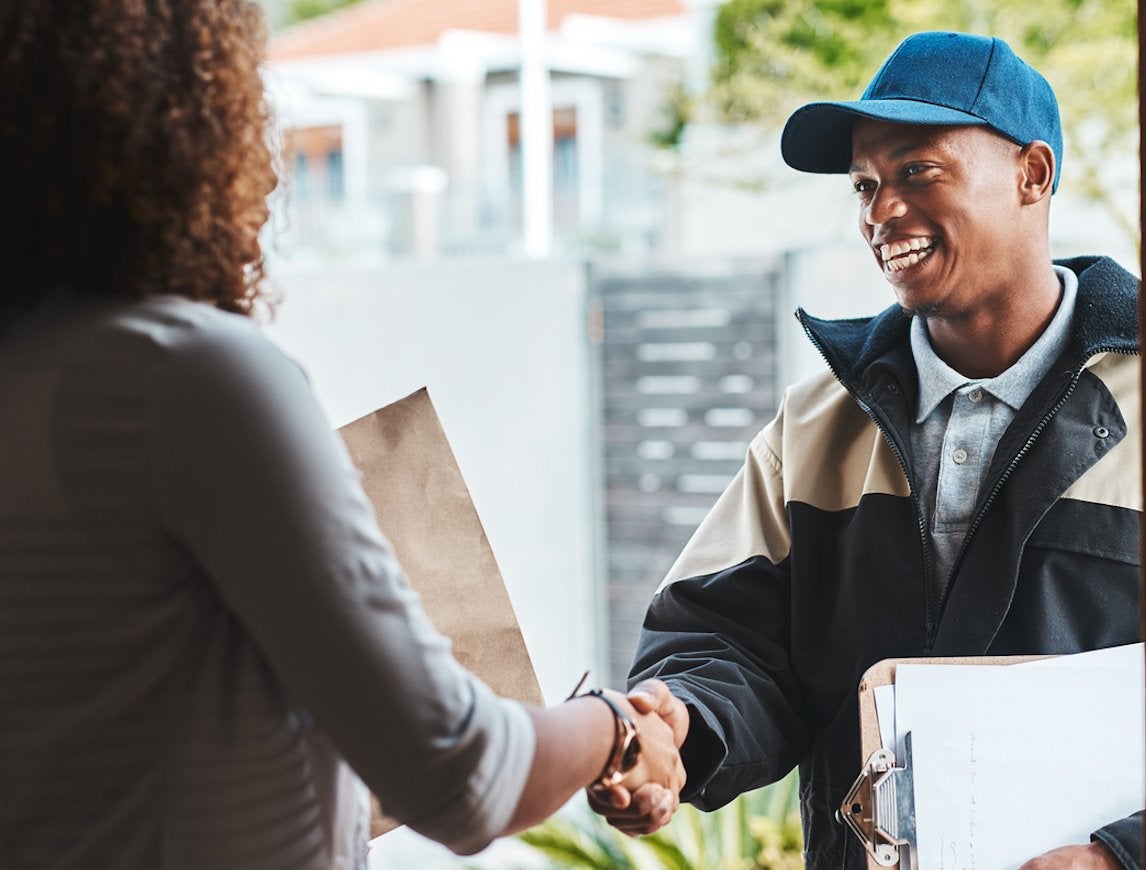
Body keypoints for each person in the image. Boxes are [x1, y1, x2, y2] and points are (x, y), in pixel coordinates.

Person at [0, 2, 686, 868]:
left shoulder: (35, 375)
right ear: (185, 122)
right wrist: (616, 726)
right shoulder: (185, 378)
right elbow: (463, 776)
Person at [590, 31, 1142, 870]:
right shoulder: (815, 428)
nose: (878, 212)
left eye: (917, 170)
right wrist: (682, 727)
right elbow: (724, 645)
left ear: (1033, 174)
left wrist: (1129, 854)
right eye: (865, 185)